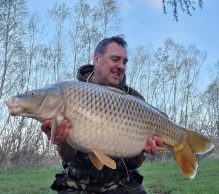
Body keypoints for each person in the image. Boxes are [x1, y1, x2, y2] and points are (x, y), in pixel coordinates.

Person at [41, 36, 164, 194]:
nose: (121, 66)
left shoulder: (135, 100)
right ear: (97, 58)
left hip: (121, 182)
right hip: (77, 181)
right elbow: (68, 157)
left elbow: (134, 163)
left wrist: (143, 149)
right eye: (115, 59)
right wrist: (60, 139)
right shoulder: (71, 93)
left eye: (124, 62)